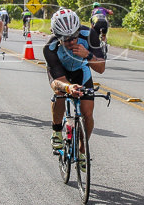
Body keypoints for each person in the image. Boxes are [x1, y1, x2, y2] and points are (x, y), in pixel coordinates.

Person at [44, 8, 106, 166]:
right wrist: (69, 88)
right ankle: (57, 131)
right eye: (66, 39)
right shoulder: (50, 48)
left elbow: (101, 68)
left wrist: (88, 55)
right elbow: (59, 80)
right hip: (61, 75)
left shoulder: (89, 35)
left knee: (87, 113)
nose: (71, 42)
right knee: (60, 94)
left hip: (81, 71)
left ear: (79, 30)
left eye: (74, 37)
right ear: (57, 36)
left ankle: (82, 150)